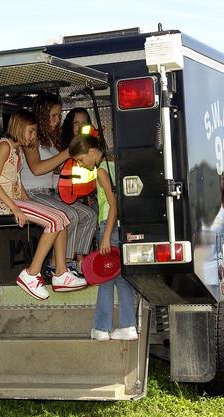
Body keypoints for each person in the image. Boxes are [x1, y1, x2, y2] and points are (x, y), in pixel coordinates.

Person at [0, 109, 87, 300]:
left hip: (15, 201)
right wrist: (15, 208)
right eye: (30, 132)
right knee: (55, 221)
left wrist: (31, 205)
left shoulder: (17, 150)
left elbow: (17, 181)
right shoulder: (4, 147)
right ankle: (31, 274)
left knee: (61, 218)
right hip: (2, 204)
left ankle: (61, 273)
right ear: (18, 128)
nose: (33, 137)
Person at [69, 128, 138, 341]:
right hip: (119, 226)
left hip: (109, 226)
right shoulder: (114, 163)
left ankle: (102, 327)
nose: (80, 165)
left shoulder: (101, 171)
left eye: (80, 160)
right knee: (120, 278)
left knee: (105, 276)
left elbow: (112, 204)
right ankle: (126, 325)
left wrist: (106, 236)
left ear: (91, 151)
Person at [22, 95, 97, 273]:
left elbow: (54, 168)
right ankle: (57, 264)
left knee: (88, 215)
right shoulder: (31, 138)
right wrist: (66, 154)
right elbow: (37, 169)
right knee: (69, 214)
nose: (57, 120)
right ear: (42, 115)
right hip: (33, 192)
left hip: (50, 192)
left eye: (58, 115)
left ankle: (73, 260)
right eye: (53, 115)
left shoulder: (49, 139)